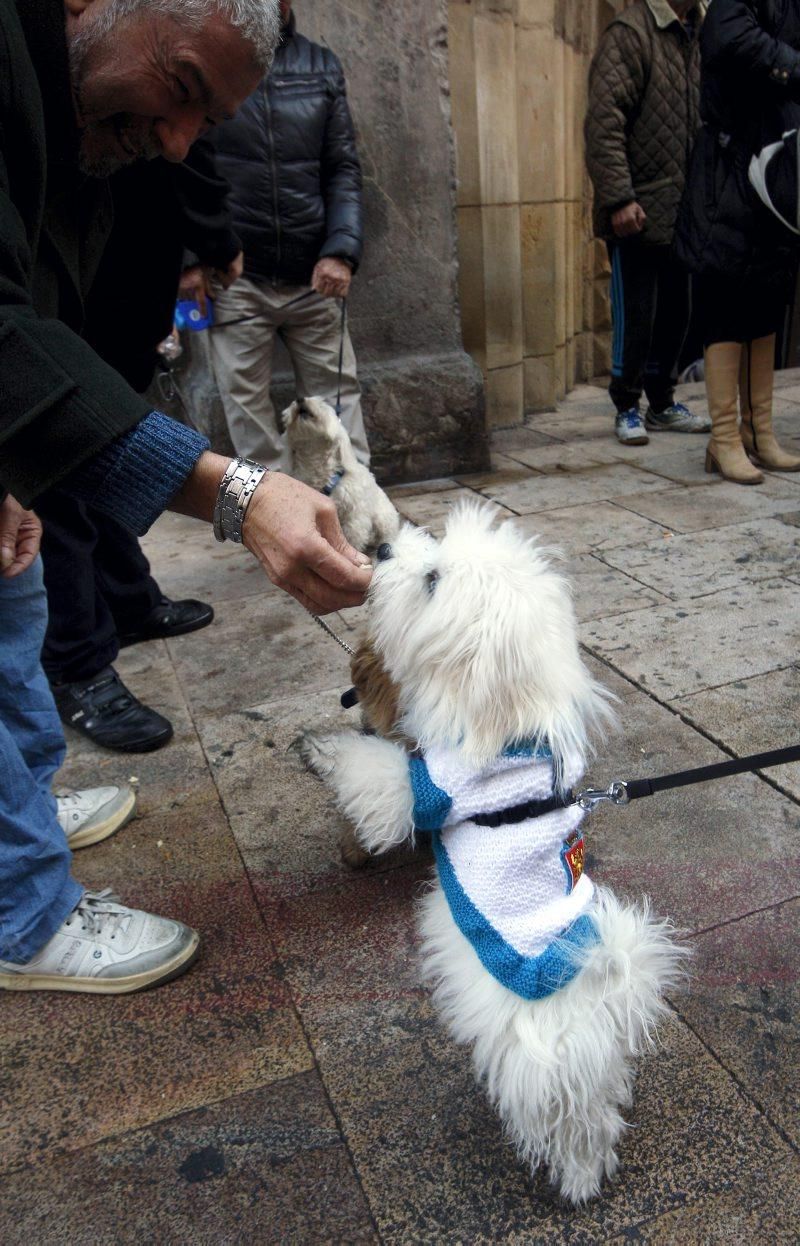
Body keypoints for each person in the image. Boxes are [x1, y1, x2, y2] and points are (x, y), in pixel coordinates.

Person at [0, 0, 371, 996]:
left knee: (16, 586)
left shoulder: (76, 98)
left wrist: (12, 461)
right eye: (183, 91)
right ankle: (18, 910)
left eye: (203, 123)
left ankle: (15, 809)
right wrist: (238, 492)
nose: (176, 140)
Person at [38, 150, 244, 755]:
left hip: (115, 311)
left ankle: (130, 600)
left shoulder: (147, 153)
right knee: (60, 479)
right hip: (62, 319)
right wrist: (243, 498)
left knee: (104, 460)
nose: (183, 139)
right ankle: (76, 665)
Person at [205, 0, 369, 471]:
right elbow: (186, 166)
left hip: (314, 278)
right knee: (248, 423)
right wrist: (195, 258)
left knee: (340, 411)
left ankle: (359, 522)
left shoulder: (320, 65)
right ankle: (274, 527)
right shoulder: (214, 60)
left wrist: (341, 251)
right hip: (236, 278)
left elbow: (343, 169)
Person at [674, 0, 800, 484]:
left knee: (767, 297)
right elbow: (728, 37)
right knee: (724, 298)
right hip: (728, 168)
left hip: (772, 167)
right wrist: (790, 68)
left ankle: (758, 433)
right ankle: (724, 439)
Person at [585, 0, 710, 446]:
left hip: (684, 209)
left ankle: (661, 402)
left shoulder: (699, 28)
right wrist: (620, 198)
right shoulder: (630, 32)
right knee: (636, 314)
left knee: (678, 311)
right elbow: (605, 122)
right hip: (637, 209)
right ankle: (626, 405)